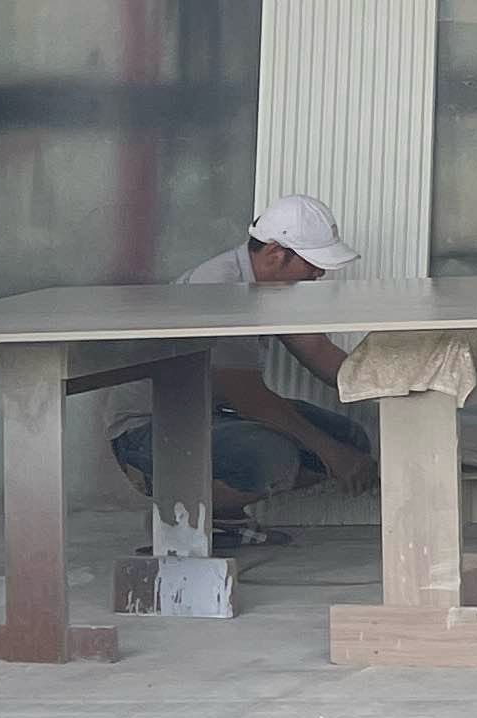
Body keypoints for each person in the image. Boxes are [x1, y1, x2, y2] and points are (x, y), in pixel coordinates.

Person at [109, 194, 375, 531]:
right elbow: (248, 398)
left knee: (349, 438)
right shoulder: (221, 289)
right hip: (147, 430)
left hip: (210, 415)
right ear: (275, 254)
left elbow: (319, 353)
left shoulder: (275, 288)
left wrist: (396, 391)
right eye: (312, 263)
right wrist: (332, 454)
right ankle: (178, 515)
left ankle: (219, 512)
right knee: (274, 456)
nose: (319, 272)